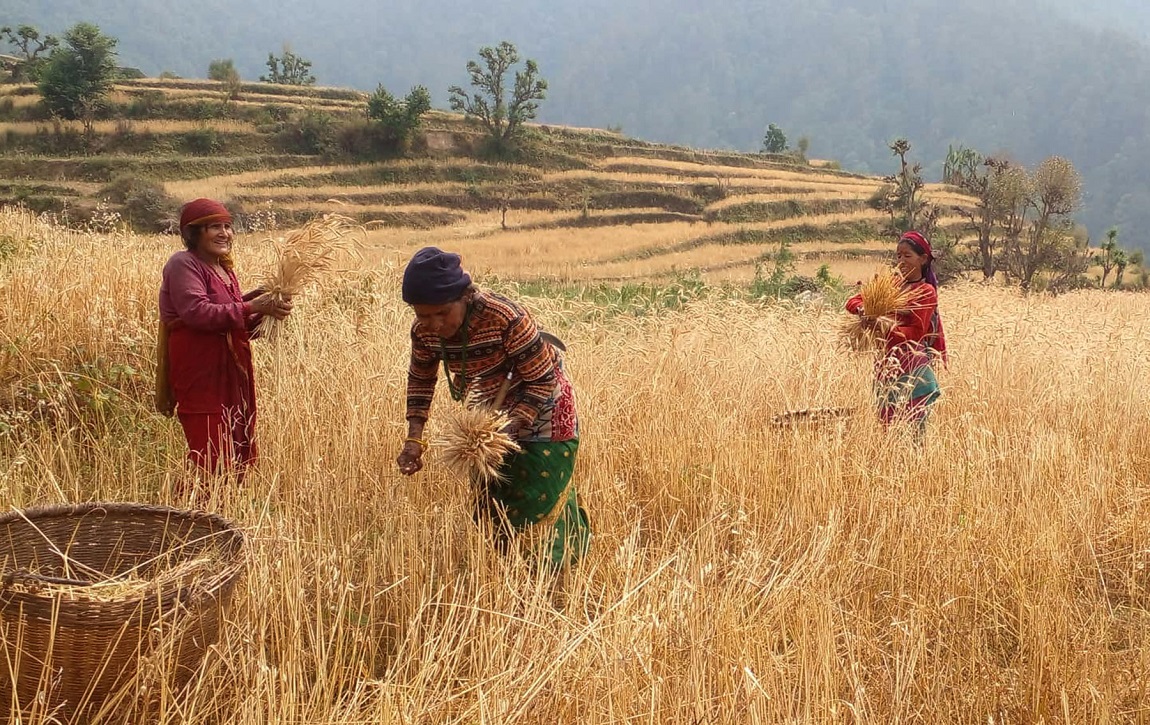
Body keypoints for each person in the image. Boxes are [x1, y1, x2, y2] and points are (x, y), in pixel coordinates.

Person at [396, 247, 590, 569]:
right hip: (492, 410)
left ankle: (555, 579)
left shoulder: (505, 317)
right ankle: (507, 577)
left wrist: (503, 432)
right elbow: (420, 381)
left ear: (465, 298)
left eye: (442, 313)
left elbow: (541, 381)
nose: (433, 323)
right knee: (494, 504)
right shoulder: (424, 334)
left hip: (544, 413)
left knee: (539, 499)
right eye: (423, 315)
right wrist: (413, 439)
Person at [156, 198, 291, 489]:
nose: (224, 233)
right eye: (214, 227)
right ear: (194, 233)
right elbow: (197, 313)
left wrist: (269, 311)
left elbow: (234, 323)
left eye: (228, 226)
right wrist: (253, 306)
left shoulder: (224, 270)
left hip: (232, 378)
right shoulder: (183, 264)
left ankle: (220, 519)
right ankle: (193, 522)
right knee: (210, 459)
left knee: (233, 456)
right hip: (202, 378)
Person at [846, 230, 947, 432]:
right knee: (888, 434)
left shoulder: (925, 292)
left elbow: (916, 334)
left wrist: (881, 326)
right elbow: (853, 301)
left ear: (923, 259)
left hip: (913, 370)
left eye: (907, 255)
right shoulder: (889, 286)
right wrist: (864, 311)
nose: (901, 260)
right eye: (898, 255)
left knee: (913, 435)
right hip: (885, 367)